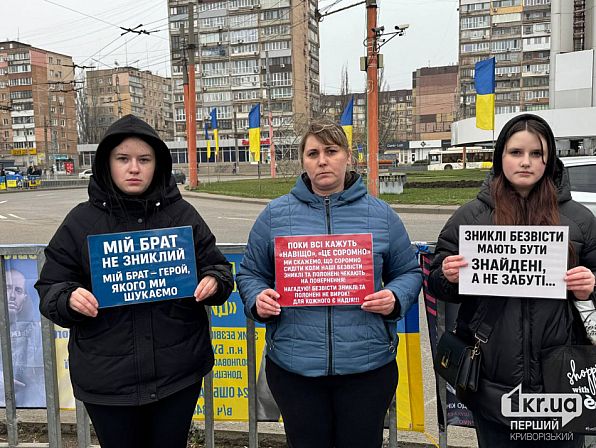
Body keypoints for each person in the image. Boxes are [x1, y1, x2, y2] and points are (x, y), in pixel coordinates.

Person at [35, 114, 234, 448]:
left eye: (144, 160)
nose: (134, 168)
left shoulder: (181, 215)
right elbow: (50, 286)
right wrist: (68, 298)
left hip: (177, 374)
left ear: (158, 164)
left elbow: (218, 267)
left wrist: (214, 281)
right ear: (106, 163)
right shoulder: (81, 222)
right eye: (123, 159)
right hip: (108, 381)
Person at [237, 121, 422, 448]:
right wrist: (257, 299)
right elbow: (250, 273)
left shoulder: (380, 215)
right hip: (295, 369)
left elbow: (408, 271)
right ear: (303, 161)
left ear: (347, 157)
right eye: (313, 153)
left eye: (331, 151)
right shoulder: (275, 215)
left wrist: (395, 296)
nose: (322, 160)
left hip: (366, 368)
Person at [428, 114, 596, 447]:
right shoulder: (470, 216)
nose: (526, 162)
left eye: (536, 153)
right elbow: (436, 282)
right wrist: (448, 275)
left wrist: (590, 285)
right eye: (516, 152)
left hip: (562, 379)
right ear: (500, 156)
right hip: (492, 379)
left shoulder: (579, 219)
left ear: (549, 159)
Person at [4, 267, 45, 407]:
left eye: (18, 290)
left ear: (25, 298)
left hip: (32, 403)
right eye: (8, 288)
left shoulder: (38, 330)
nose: (12, 295)